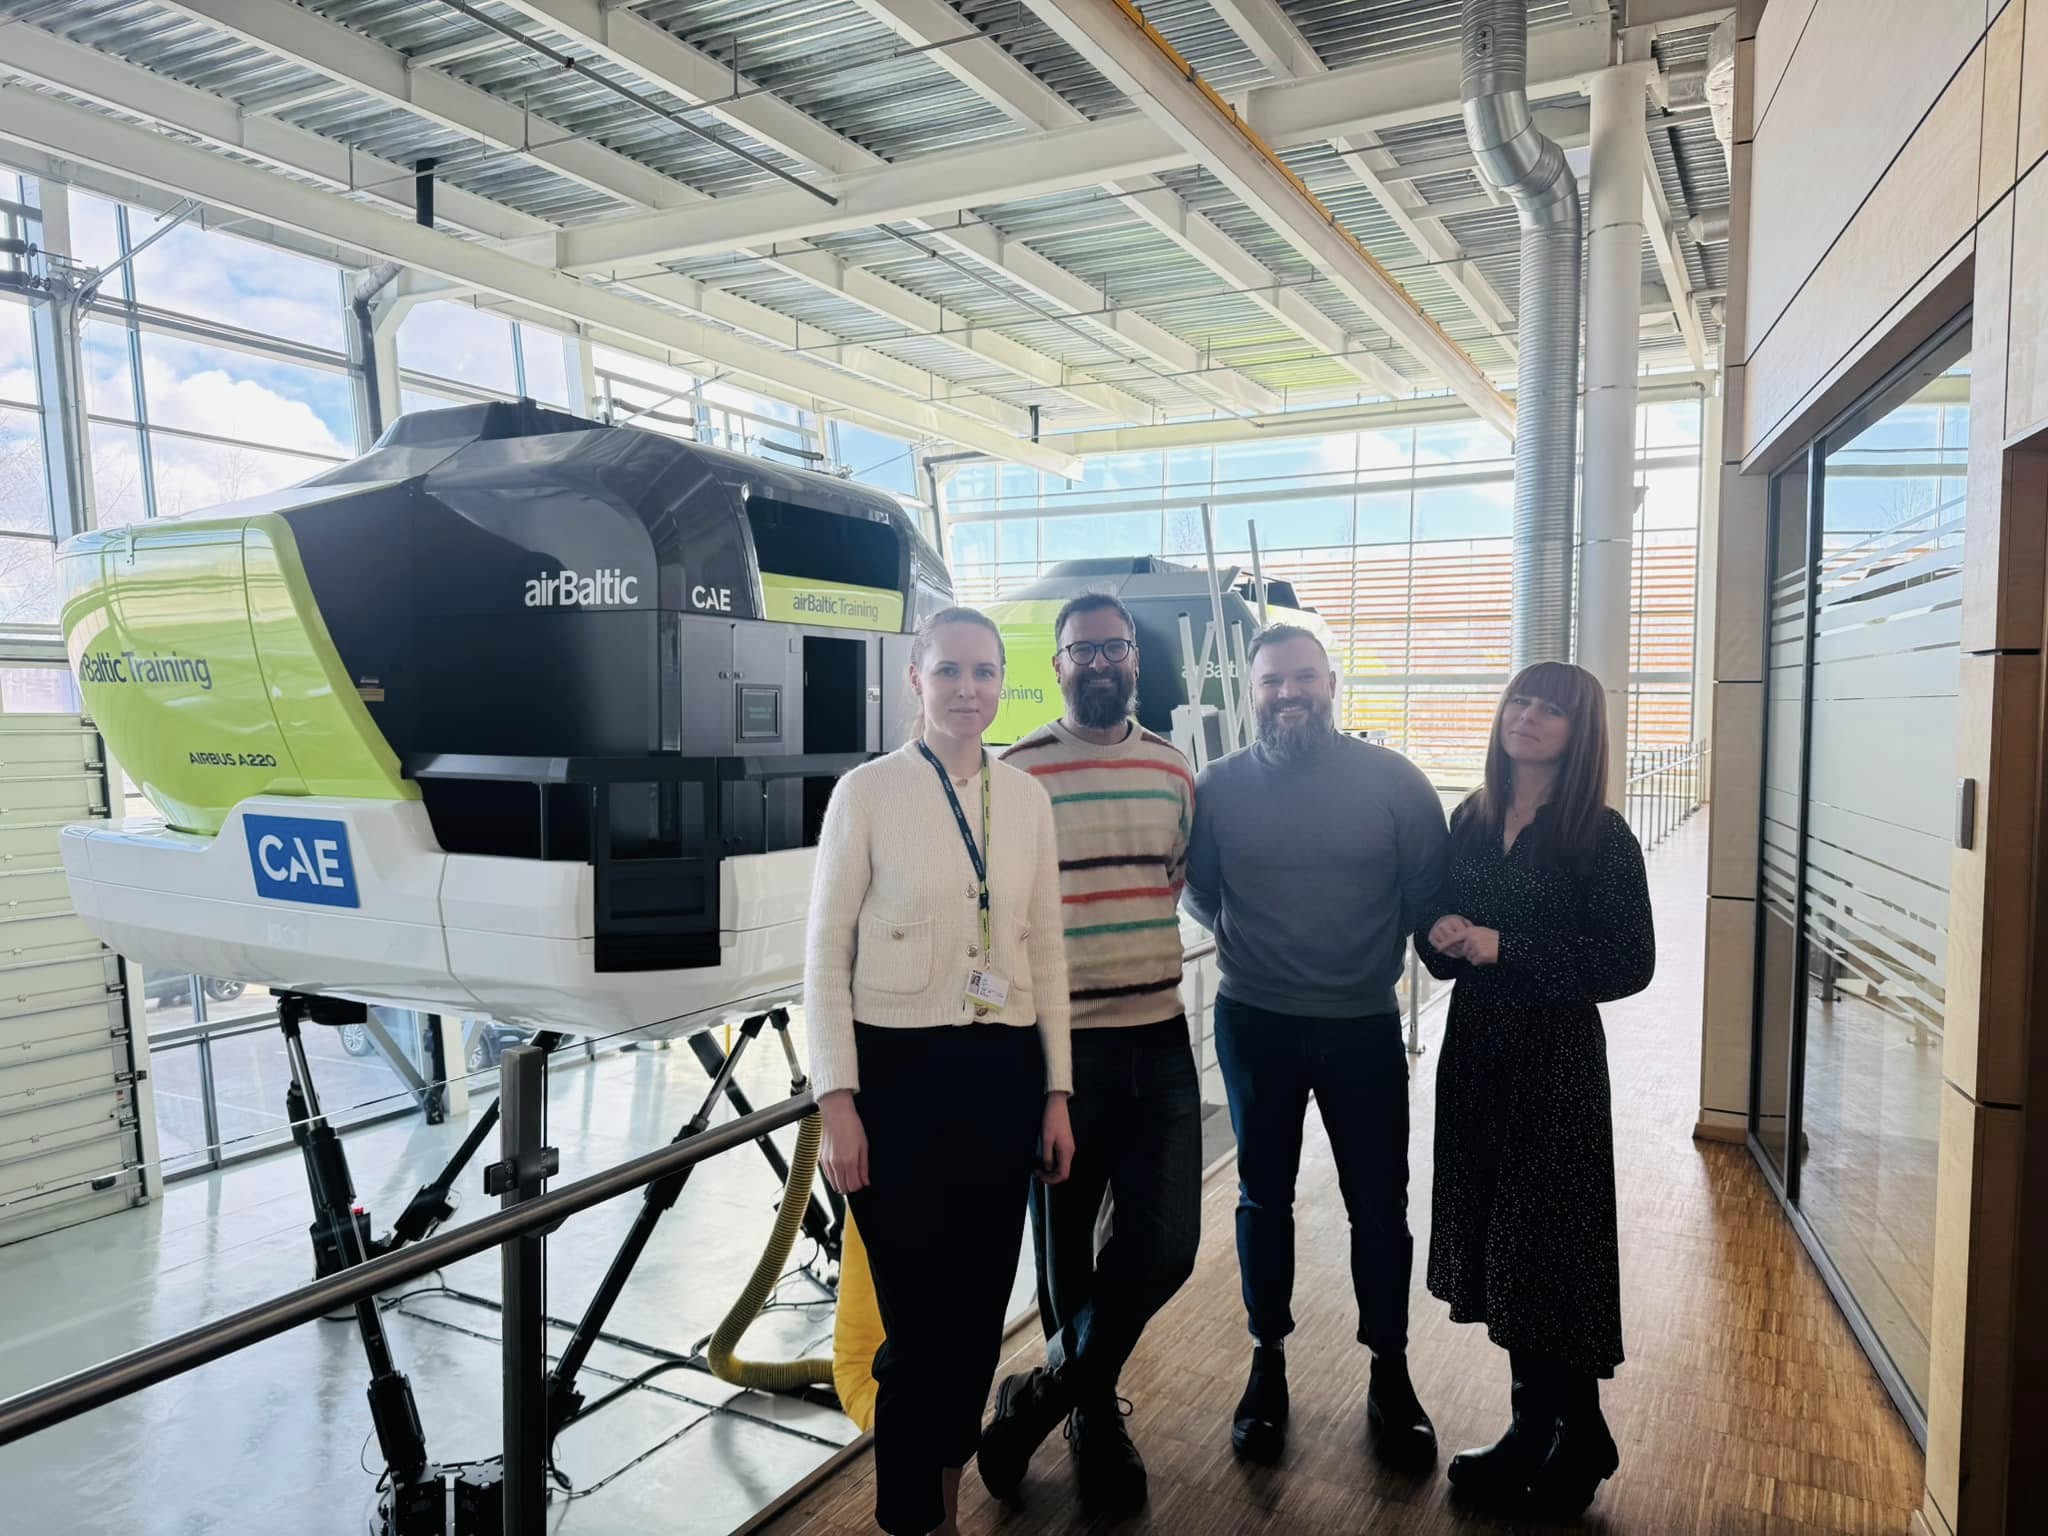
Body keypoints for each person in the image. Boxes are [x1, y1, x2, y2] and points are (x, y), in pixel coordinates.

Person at [806, 606, 1077, 1536]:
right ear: (915, 680)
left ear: (1004, 683)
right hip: (897, 1082)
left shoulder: (1027, 799)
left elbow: (1046, 954)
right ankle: (911, 1519)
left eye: (985, 672)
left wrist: (1056, 1093)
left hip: (1002, 1077)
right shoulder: (868, 793)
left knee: (973, 1322)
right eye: (950, 671)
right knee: (917, 1332)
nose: (969, 689)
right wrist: (838, 1103)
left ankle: (947, 1508)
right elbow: (824, 955)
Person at [1181, 622, 1447, 1469]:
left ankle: (1390, 1370)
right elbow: (1201, 892)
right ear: (1251, 692)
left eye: (1303, 677)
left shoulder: (1396, 784)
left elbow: (1426, 894)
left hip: (1362, 1022)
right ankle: (1268, 1362)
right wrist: (1261, 947)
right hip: (1254, 1020)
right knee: (1263, 1198)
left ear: (1331, 683)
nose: (1288, 693)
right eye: (1271, 681)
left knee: (1380, 1204)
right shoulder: (1216, 788)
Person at [977, 592, 1201, 1514]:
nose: (1099, 663)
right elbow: (997, 917)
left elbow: (1170, 880)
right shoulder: (1016, 773)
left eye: (1114, 648)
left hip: (1160, 1039)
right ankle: (1092, 1413)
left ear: (1135, 660)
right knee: (1066, 1253)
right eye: (1083, 651)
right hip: (1059, 1053)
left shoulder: (1173, 768)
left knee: (1168, 1245)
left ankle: (1041, 1393)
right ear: (1058, 664)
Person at [1415, 661, 1654, 1518]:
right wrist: (1443, 934)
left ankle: (1577, 1433)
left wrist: (1505, 947)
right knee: (1506, 1251)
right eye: (1521, 700)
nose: (1529, 716)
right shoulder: (1473, 818)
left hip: (1554, 1065)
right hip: (1477, 1055)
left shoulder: (1601, 835)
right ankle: (1534, 1429)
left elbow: (1630, 962)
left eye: (1553, 709)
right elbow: (1442, 941)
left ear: (1580, 732)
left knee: (1549, 1251)